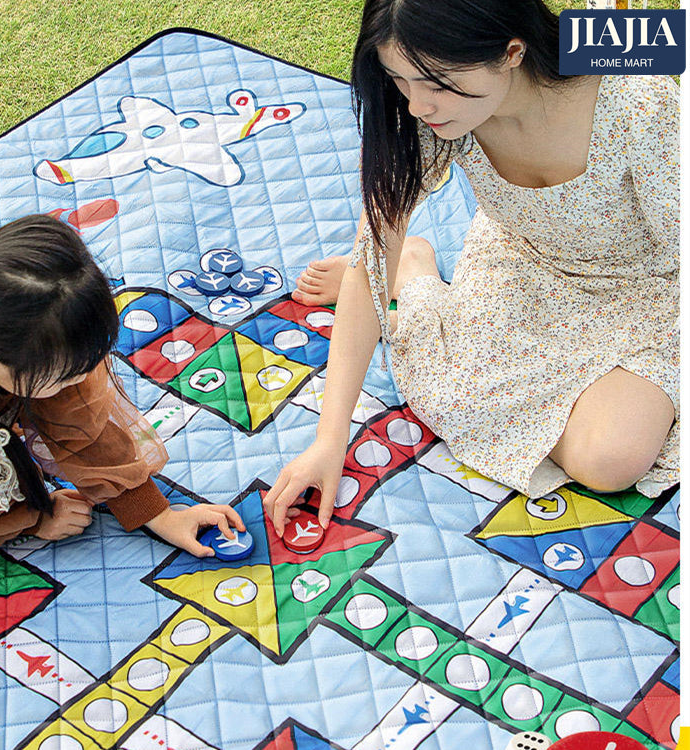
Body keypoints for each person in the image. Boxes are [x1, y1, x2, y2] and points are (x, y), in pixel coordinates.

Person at [264, 0, 678, 535]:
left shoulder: (636, 98)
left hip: (651, 286)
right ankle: (411, 269)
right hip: (523, 262)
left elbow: (666, 39)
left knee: (611, 461)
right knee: (467, 388)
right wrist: (328, 440)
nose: (417, 106)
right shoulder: (436, 112)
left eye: (435, 82)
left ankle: (412, 266)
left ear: (510, 52)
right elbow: (370, 262)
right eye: (400, 81)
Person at [0, 214, 244, 554]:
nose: (80, 381)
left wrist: (159, 514)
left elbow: (82, 428)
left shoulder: (30, 335)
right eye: (64, 375)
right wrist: (33, 519)